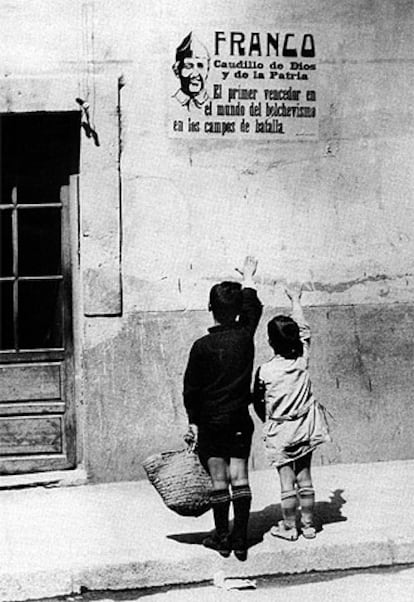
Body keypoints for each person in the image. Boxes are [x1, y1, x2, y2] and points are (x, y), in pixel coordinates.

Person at [183, 256, 263, 561]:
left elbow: (191, 389)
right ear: (236, 312)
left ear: (210, 308)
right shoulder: (245, 339)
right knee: (240, 478)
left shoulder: (201, 347)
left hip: (211, 422)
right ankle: (241, 540)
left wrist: (193, 422)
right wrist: (249, 279)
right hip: (239, 419)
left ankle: (221, 537)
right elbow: (253, 309)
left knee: (219, 482)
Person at [253, 284, 330, 541]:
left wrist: (270, 419)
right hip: (306, 426)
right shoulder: (302, 360)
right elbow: (304, 330)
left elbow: (257, 402)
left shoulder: (265, 371)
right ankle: (308, 525)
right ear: (296, 340)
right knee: (305, 475)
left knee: (287, 481)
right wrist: (296, 300)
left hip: (281, 430)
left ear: (270, 342)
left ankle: (289, 527)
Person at [172, 31, 211, 110]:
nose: (195, 74)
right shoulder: (169, 105)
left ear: (207, 69)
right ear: (176, 71)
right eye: (188, 66)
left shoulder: (215, 105)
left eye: (200, 66)